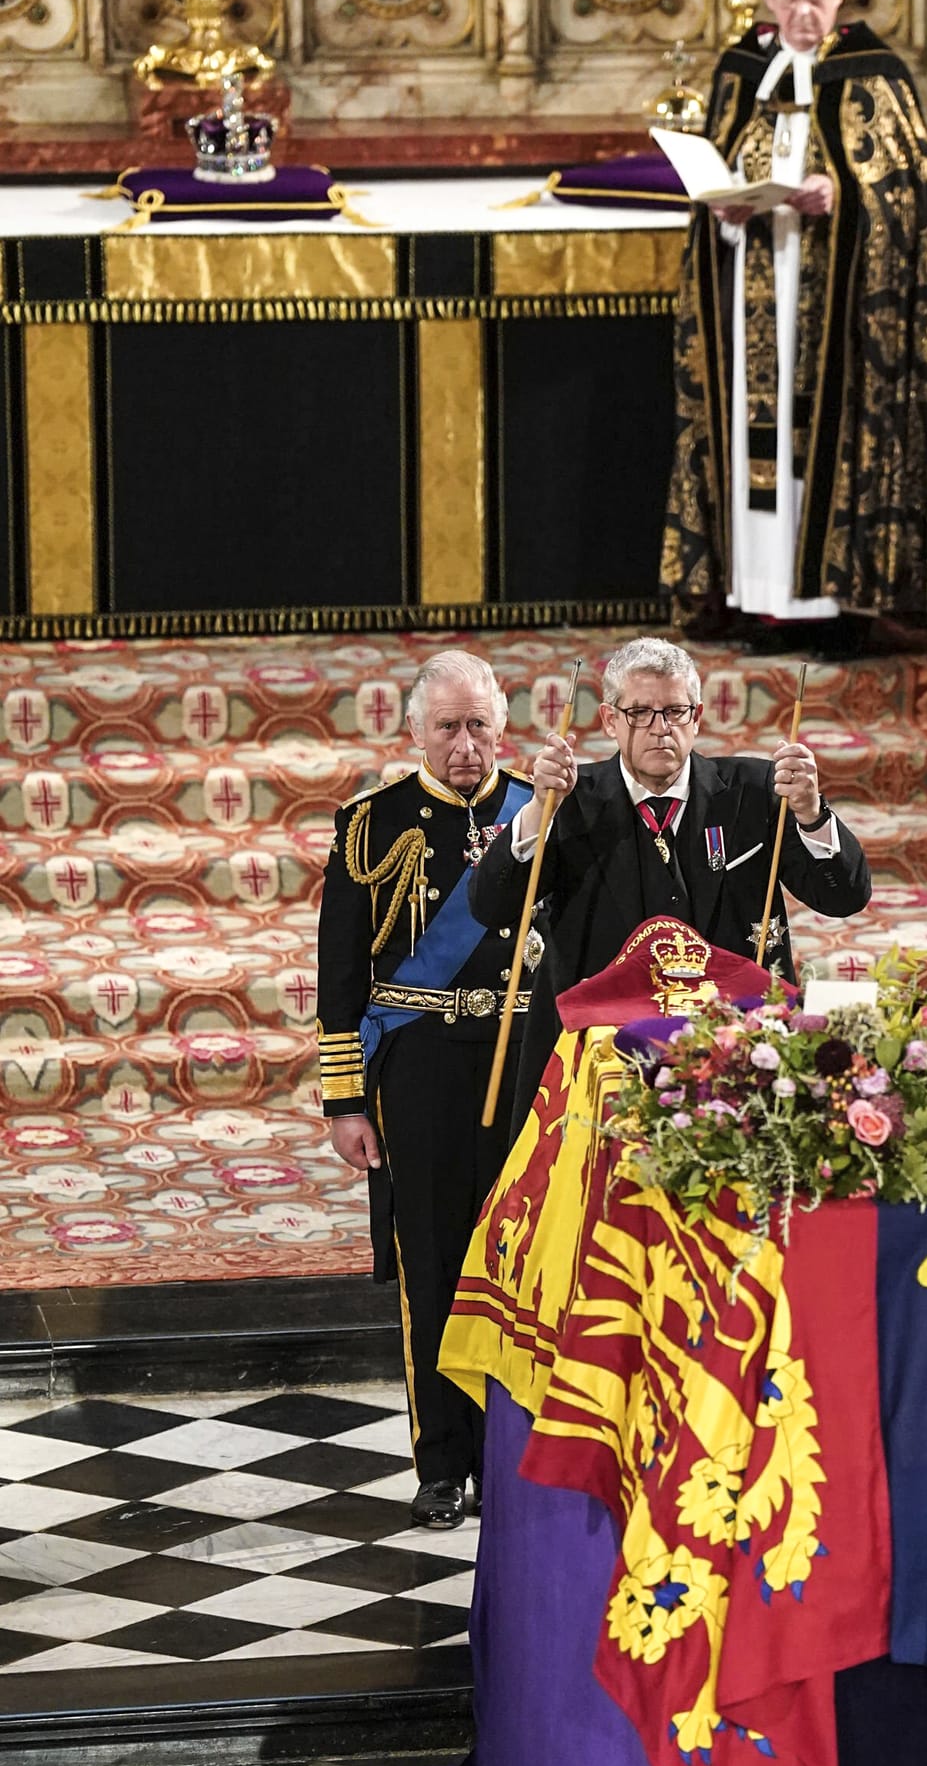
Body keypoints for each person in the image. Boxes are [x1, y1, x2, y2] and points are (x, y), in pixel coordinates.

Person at [661, 0, 927, 638]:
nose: (804, 12)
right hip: (750, 307)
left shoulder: (874, 73)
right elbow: (714, 164)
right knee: (752, 445)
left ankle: (832, 603)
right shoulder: (740, 72)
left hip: (840, 320)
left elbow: (913, 197)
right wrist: (725, 210)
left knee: (819, 446)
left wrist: (846, 198)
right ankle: (750, 594)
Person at [468, 635, 872, 1125]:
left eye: (675, 712)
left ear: (697, 717)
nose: (660, 729)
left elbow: (844, 897)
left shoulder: (756, 792)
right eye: (640, 713)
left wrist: (810, 813)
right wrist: (536, 812)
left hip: (735, 1049)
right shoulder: (567, 800)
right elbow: (491, 905)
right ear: (610, 720)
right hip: (601, 1053)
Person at [316, 650, 531, 1528]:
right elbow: (338, 970)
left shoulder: (545, 813)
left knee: (525, 1255)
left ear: (503, 726)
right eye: (447, 727)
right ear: (414, 732)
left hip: (526, 1056)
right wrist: (344, 1100)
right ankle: (443, 1461)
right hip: (422, 1064)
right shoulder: (373, 823)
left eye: (480, 724)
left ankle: (517, 1460)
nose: (466, 745)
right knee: (433, 1259)